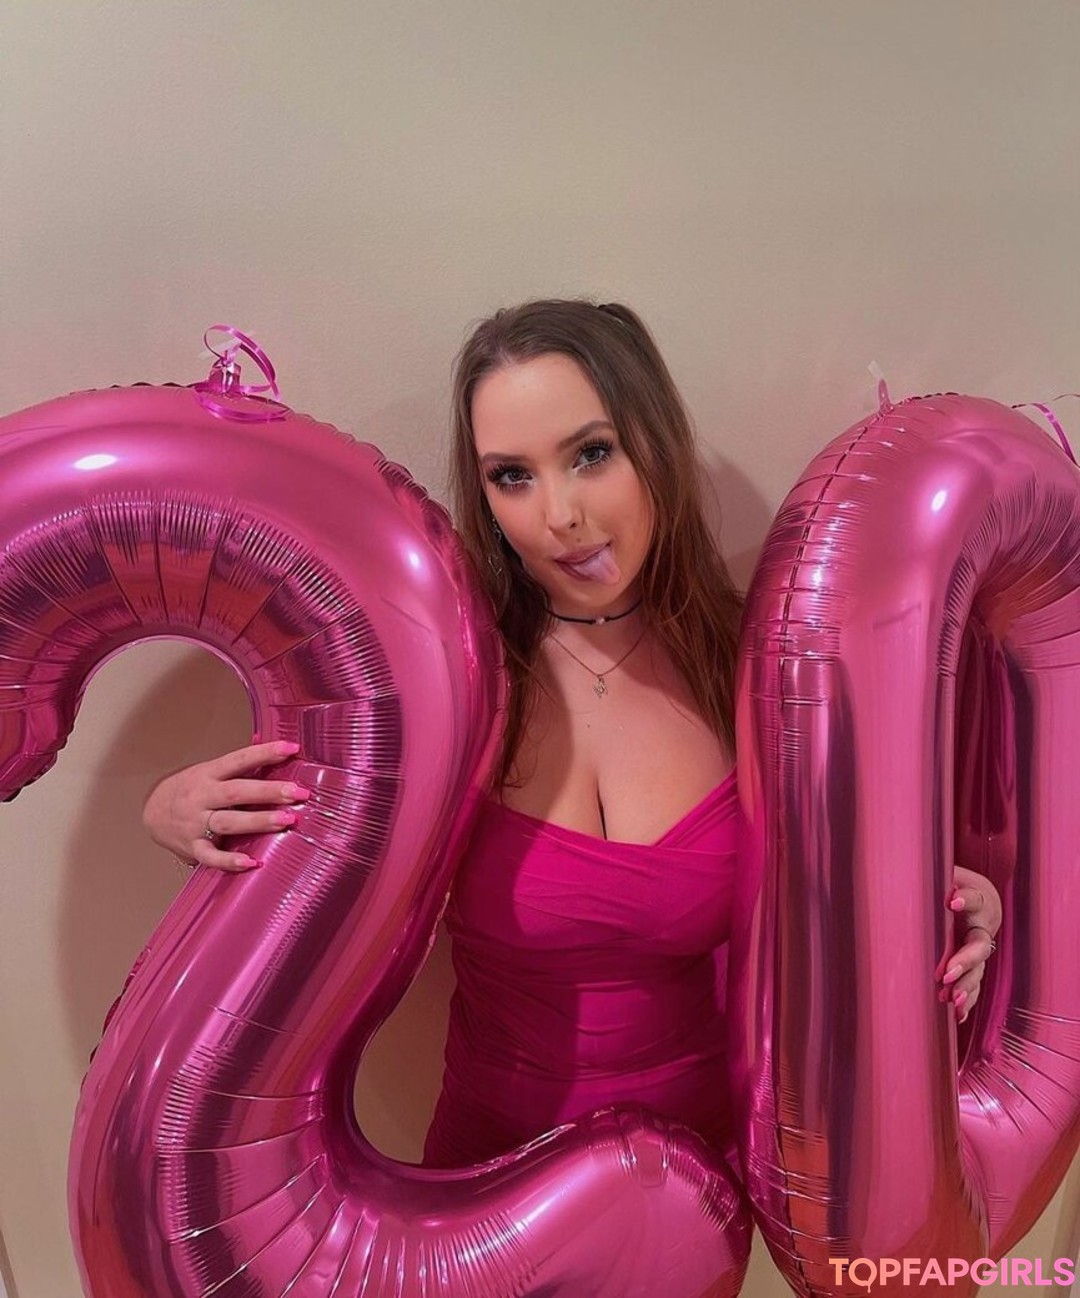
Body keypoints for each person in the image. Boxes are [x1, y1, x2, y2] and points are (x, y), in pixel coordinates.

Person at [141, 299, 1002, 1169]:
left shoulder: (760, 666)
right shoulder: (445, 675)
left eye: (592, 455)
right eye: (512, 476)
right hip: (484, 1188)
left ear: (653, 444)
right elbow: (314, 837)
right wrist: (175, 810)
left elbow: (836, 879)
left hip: (698, 1181)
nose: (559, 516)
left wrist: (949, 907)